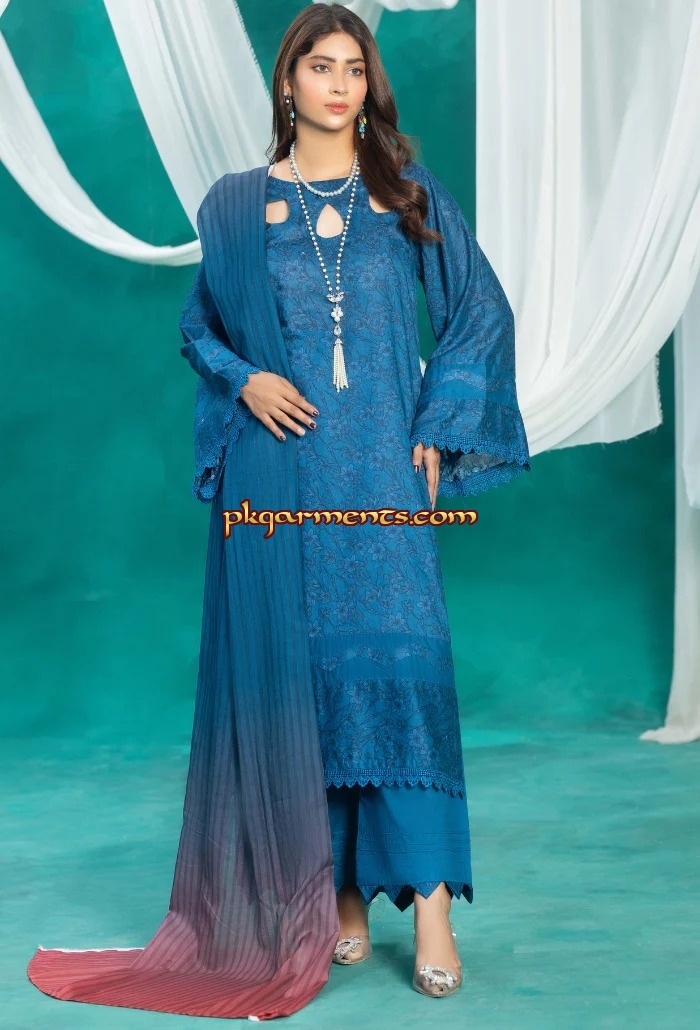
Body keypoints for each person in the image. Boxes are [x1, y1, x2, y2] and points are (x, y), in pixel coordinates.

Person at [27, 2, 530, 1019]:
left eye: (355, 68)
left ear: (368, 85)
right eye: (320, 66)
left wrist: (440, 420)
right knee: (312, 684)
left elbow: (478, 308)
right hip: (282, 479)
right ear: (287, 81)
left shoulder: (406, 192)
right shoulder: (238, 207)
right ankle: (335, 895)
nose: (340, 85)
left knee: (404, 673)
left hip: (381, 475)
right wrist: (246, 380)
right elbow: (199, 328)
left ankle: (433, 911)